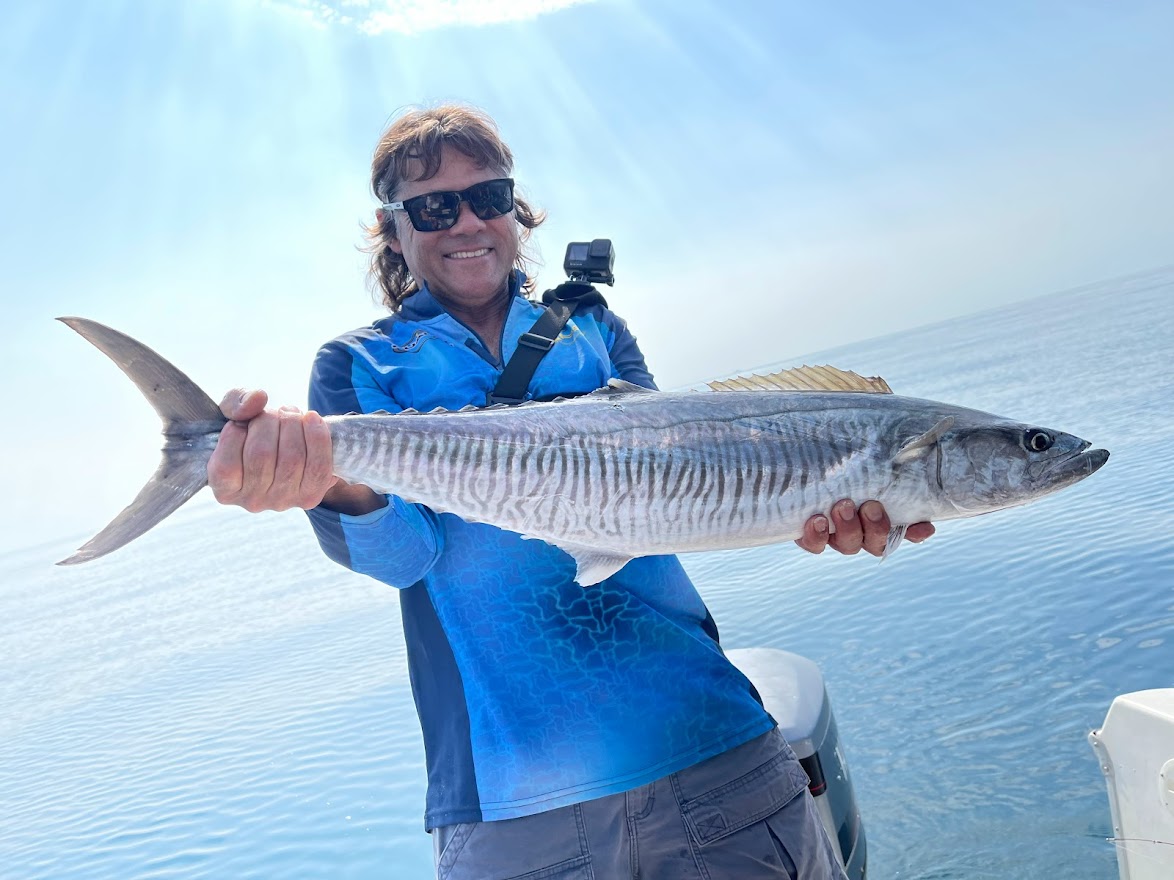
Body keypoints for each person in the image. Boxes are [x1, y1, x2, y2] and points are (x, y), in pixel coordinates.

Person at [207, 103, 933, 879]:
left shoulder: (595, 331)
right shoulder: (361, 364)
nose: (466, 223)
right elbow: (405, 556)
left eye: (487, 197)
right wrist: (327, 482)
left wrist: (819, 504)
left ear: (515, 210)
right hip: (514, 799)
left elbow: (678, 501)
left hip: (706, 736)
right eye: (434, 206)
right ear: (394, 229)